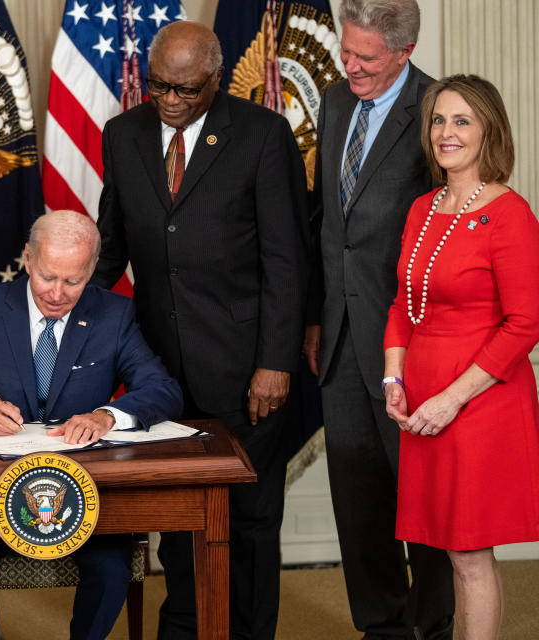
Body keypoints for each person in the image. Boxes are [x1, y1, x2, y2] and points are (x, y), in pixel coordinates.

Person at [92, 20, 308, 640]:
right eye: (159, 86)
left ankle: (246, 631)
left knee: (250, 517)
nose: (171, 101)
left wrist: (276, 362)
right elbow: (112, 248)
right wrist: (66, 321)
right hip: (159, 370)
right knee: (180, 513)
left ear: (214, 80)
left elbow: (286, 260)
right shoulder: (123, 134)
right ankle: (185, 627)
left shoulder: (263, 135)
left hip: (245, 367)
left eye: (186, 90)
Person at [0, 210, 183, 640]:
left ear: (90, 271)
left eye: (73, 281)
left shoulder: (114, 313)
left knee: (111, 568)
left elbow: (163, 390)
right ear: (28, 259)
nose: (57, 293)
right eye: (48, 276)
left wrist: (107, 415)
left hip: (84, 492)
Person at [305, 1, 455, 637]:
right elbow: (327, 222)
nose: (349, 66)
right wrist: (316, 319)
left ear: (405, 50)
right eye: (346, 52)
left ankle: (433, 628)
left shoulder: (437, 111)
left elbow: (450, 227)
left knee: (423, 511)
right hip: (339, 339)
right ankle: (383, 628)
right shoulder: (337, 101)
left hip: (410, 345)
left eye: (365, 58)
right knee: (359, 508)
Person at [384, 74, 539, 640]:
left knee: (470, 555)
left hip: (478, 402)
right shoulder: (423, 208)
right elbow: (403, 301)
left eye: (462, 121)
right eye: (438, 119)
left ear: (488, 130)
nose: (446, 133)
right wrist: (393, 378)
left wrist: (451, 398)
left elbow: (526, 323)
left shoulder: (510, 214)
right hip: (422, 401)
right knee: (449, 551)